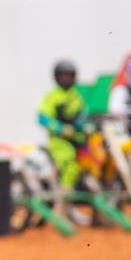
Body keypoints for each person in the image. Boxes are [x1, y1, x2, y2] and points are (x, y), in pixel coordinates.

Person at [38, 60, 89, 194]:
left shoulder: (76, 96)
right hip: (59, 141)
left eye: (69, 76)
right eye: (63, 76)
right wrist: (61, 128)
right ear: (57, 77)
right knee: (69, 163)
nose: (67, 79)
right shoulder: (52, 96)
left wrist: (86, 126)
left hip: (78, 139)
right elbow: (43, 118)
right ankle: (65, 194)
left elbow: (83, 115)